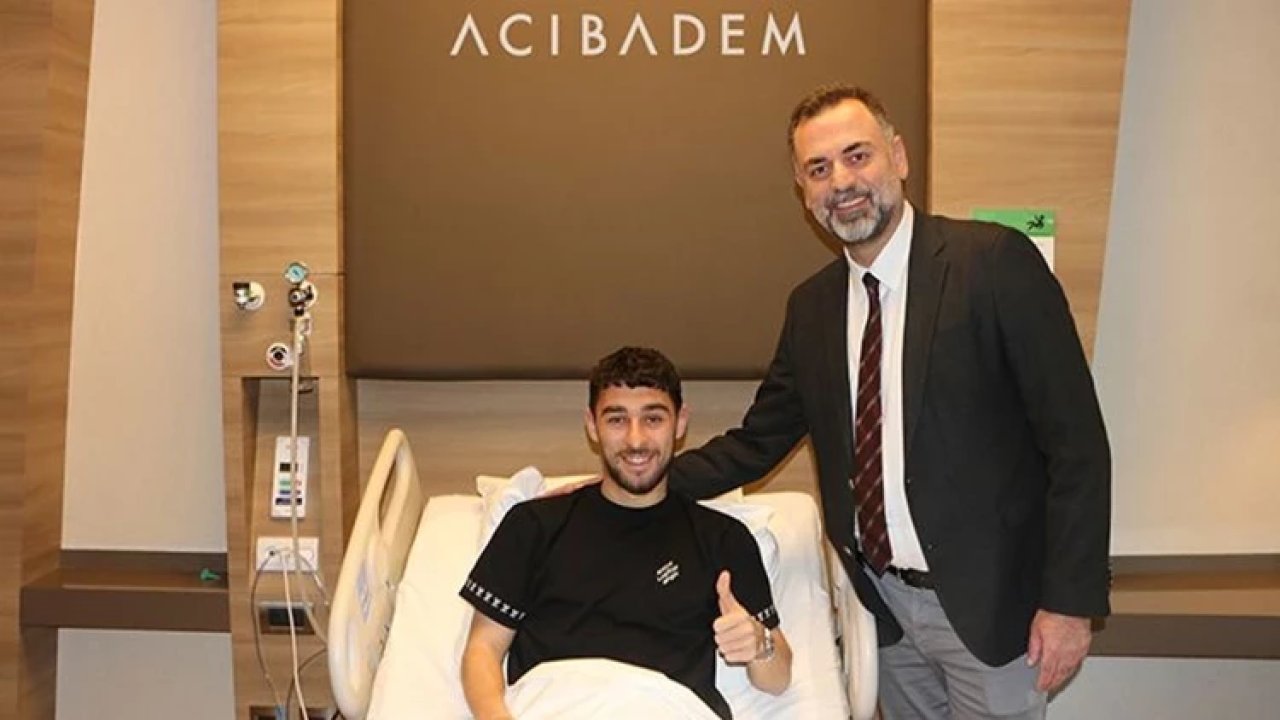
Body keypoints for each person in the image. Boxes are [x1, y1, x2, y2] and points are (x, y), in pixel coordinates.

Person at [667, 85, 1111, 719]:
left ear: (898, 157)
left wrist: (1069, 603)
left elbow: (1077, 444)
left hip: (992, 613)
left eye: (858, 155)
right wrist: (631, 486)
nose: (842, 182)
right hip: (883, 615)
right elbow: (756, 443)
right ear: (803, 191)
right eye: (819, 169)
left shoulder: (992, 264)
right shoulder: (812, 308)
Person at [459, 347, 793, 720]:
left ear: (680, 423)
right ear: (592, 425)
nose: (636, 440)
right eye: (617, 419)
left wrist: (758, 642)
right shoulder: (534, 525)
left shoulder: (722, 538)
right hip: (555, 705)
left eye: (653, 419)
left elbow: (777, 677)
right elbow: (483, 648)